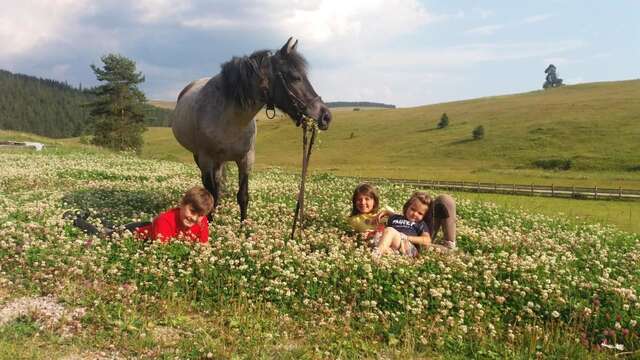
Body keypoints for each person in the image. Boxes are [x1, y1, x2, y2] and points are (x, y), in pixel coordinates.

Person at [66, 186, 214, 244]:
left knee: (115, 227)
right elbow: (162, 249)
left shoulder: (202, 222)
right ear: (181, 204)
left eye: (200, 215)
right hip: (136, 232)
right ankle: (76, 219)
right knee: (102, 236)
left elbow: (203, 247)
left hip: (148, 227)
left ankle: (96, 217)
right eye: (192, 211)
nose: (194, 218)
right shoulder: (165, 220)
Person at [374, 191, 432, 257]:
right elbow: (390, 217)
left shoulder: (420, 224)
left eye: (420, 213)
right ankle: (387, 253)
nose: (415, 214)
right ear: (407, 207)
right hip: (393, 245)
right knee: (381, 241)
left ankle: (376, 255)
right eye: (412, 209)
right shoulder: (395, 217)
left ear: (424, 216)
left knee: (389, 230)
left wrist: (406, 237)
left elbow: (427, 240)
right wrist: (386, 212)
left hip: (408, 246)